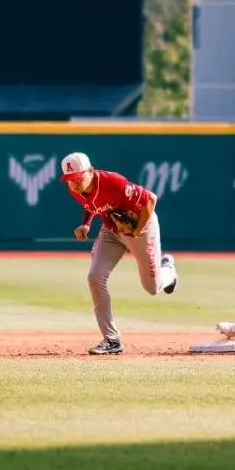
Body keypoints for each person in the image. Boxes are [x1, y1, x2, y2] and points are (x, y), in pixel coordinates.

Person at [60, 152, 179, 355]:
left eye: (78, 178)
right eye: (70, 180)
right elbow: (91, 205)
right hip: (111, 230)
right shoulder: (75, 190)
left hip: (142, 225)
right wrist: (86, 224)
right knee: (95, 278)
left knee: (152, 287)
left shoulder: (112, 181)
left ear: (90, 171)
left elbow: (151, 199)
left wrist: (137, 230)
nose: (75, 183)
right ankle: (111, 340)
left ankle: (167, 268)